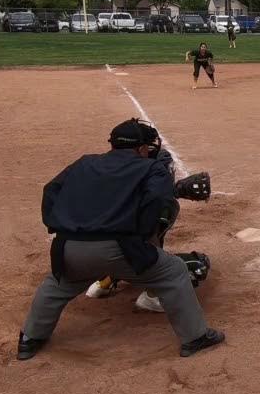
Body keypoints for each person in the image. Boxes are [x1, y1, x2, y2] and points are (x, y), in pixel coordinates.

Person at [17, 119, 225, 360]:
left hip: (69, 249)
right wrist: (142, 234)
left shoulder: (84, 163)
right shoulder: (150, 167)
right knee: (174, 271)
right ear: (141, 149)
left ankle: (30, 339)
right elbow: (159, 201)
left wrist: (59, 226)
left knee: (56, 285)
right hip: (121, 250)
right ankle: (195, 337)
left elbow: (50, 190)